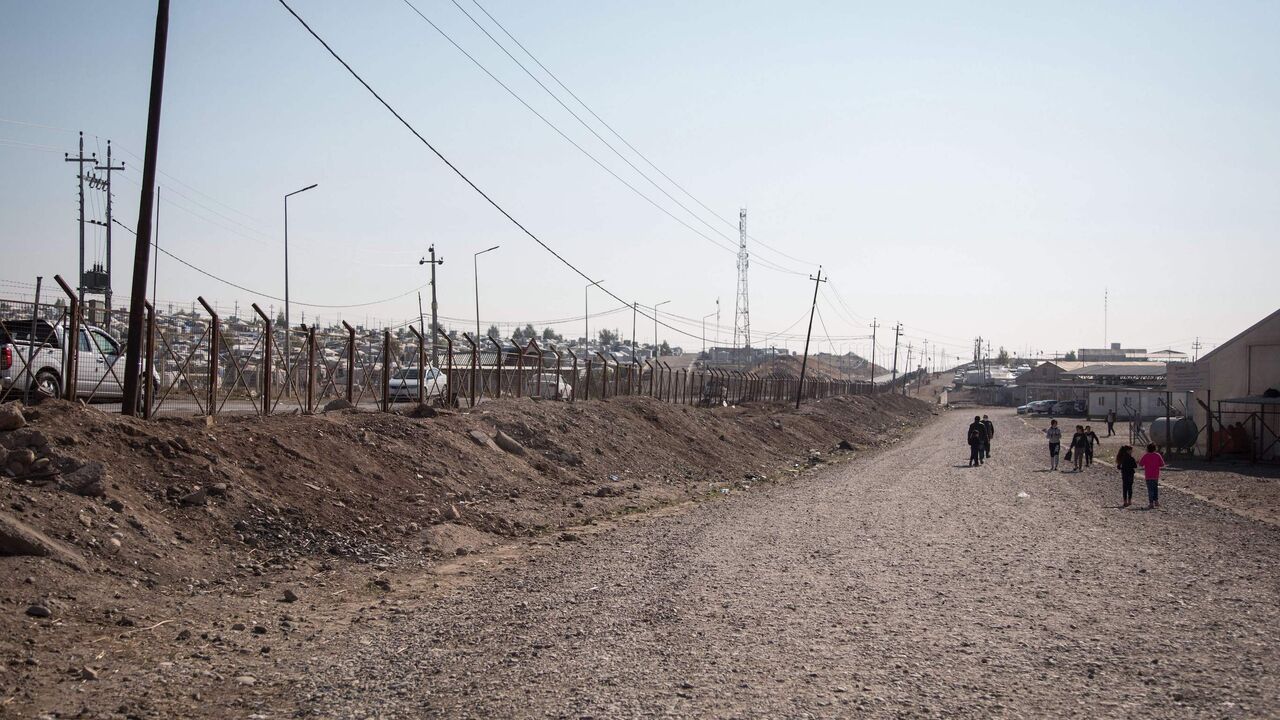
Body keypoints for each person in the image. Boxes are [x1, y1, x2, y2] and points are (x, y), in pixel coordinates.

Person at [1139, 443, 1165, 509]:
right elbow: (1162, 464)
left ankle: (1151, 503)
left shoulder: (1146, 456)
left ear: (1147, 449)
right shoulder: (1157, 455)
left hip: (1148, 475)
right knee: (1155, 488)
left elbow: (1140, 464)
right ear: (1154, 448)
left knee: (1150, 489)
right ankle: (1156, 501)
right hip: (1155, 475)